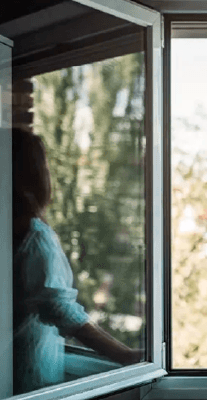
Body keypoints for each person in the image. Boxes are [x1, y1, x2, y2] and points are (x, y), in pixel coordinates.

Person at [12, 128, 141, 395]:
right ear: (35, 175)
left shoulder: (11, 230)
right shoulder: (35, 237)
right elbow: (62, 311)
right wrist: (127, 356)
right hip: (28, 379)